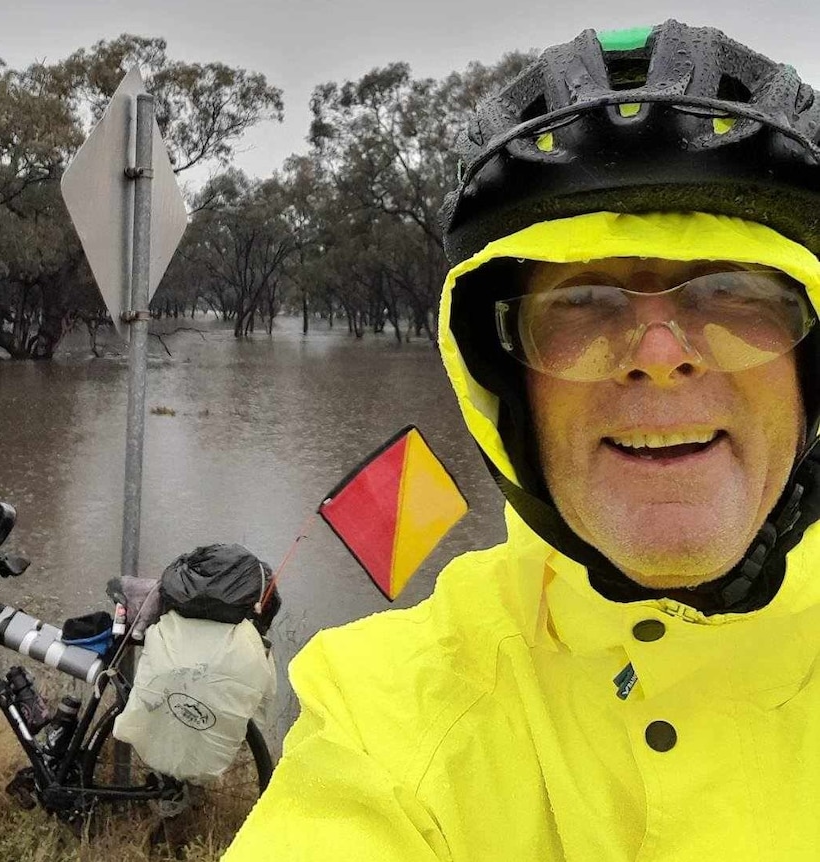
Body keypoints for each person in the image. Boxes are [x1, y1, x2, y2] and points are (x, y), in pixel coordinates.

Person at [223, 20, 820, 860]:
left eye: (730, 293)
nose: (659, 357)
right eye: (581, 304)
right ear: (509, 387)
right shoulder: (388, 714)